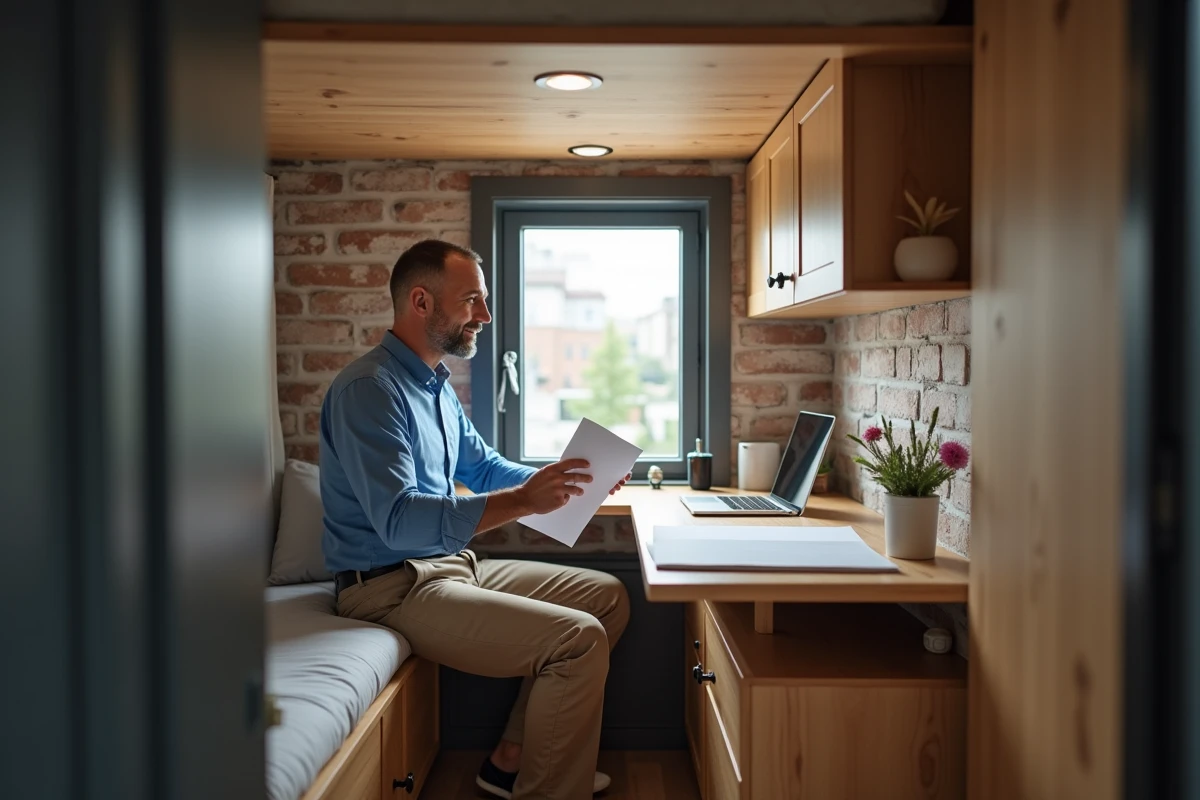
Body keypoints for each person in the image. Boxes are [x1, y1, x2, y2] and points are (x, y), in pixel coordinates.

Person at [318, 238, 631, 800]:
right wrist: (525, 502)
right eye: (472, 301)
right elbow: (398, 521)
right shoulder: (369, 391)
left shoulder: (435, 385)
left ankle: (511, 761)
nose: (484, 316)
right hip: (389, 587)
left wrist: (568, 480)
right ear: (420, 302)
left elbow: (483, 468)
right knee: (578, 639)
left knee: (606, 596)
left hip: (447, 567)